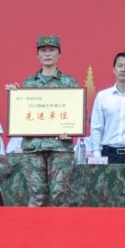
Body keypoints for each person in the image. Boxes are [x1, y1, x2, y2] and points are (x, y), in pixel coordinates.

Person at [14, 35, 79, 206]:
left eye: (52, 50)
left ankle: (60, 225)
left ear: (59, 54)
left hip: (60, 147)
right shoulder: (28, 84)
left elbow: (79, 113)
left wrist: (71, 130)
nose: (47, 54)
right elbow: (22, 114)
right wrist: (15, 98)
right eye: (43, 51)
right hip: (33, 147)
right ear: (37, 55)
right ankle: (35, 225)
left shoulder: (69, 83)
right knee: (37, 197)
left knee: (60, 196)